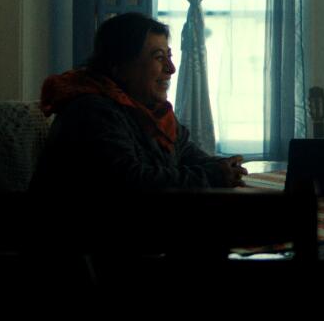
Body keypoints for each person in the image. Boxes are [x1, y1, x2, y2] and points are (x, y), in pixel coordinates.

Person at [31, 12, 248, 192]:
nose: (171, 69)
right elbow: (133, 182)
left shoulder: (154, 113)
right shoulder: (91, 112)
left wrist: (226, 167)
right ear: (120, 66)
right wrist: (212, 175)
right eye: (158, 57)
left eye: (169, 56)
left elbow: (189, 157)